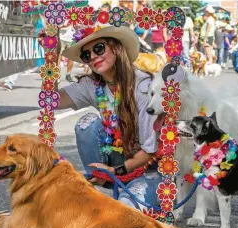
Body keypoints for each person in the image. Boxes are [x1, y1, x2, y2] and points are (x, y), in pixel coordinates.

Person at [45, 24, 162, 208]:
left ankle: (129, 194)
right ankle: (101, 187)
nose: (92, 57)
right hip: (114, 166)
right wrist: (52, 56)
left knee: (125, 211)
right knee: (87, 123)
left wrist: (115, 170)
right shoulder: (93, 85)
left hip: (149, 168)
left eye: (98, 49)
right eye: (86, 55)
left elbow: (150, 151)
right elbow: (50, 101)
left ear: (116, 47)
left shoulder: (144, 87)